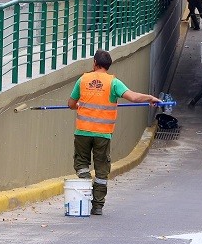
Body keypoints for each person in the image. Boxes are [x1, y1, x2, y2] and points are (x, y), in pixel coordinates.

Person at [67, 49, 162, 215]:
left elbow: (70, 103)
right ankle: (97, 206)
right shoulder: (113, 83)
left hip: (82, 132)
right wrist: (150, 98)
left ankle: (85, 182)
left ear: (94, 63)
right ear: (108, 66)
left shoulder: (83, 80)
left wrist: (79, 106)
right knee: (102, 170)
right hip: (103, 135)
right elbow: (133, 97)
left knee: (81, 164)